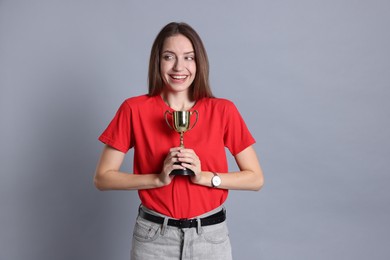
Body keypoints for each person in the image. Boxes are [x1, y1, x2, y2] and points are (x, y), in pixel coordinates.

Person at [94, 22, 264, 260]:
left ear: (199, 63)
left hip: (210, 238)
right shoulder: (134, 109)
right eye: (169, 57)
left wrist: (205, 176)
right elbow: (102, 178)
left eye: (188, 57)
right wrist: (157, 179)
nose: (179, 67)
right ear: (158, 61)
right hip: (154, 240)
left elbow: (255, 178)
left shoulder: (223, 110)